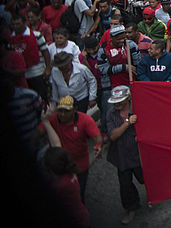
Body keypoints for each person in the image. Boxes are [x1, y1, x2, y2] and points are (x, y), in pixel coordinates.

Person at [41, 96, 102, 203]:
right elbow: (38, 132)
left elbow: (97, 137)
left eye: (66, 111)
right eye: (60, 110)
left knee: (78, 194)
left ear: (74, 110)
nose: (62, 114)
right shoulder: (52, 119)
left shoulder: (85, 120)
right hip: (59, 167)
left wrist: (98, 146)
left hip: (79, 166)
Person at [106, 85, 144, 224]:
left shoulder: (139, 108)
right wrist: (128, 122)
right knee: (125, 185)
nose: (117, 104)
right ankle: (131, 207)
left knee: (145, 178)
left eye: (120, 101)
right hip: (122, 155)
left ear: (128, 98)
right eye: (115, 101)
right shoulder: (111, 114)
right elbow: (113, 135)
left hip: (139, 153)